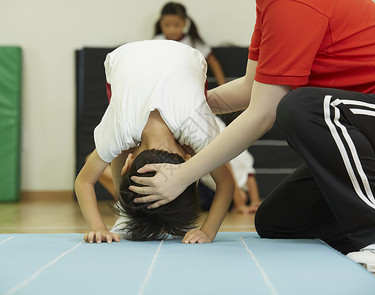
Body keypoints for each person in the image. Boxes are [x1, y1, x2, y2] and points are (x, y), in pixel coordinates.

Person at [129, 0, 375, 273]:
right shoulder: (269, 7)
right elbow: (252, 88)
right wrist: (181, 106)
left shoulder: (290, 3)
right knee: (278, 221)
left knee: (302, 107)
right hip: (372, 130)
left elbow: (262, 113)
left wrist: (183, 174)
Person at [74, 40, 234, 244]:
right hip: (142, 57)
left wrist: (98, 228)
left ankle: (126, 211)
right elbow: (83, 182)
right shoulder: (121, 130)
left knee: (117, 144)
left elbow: (83, 181)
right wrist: (207, 232)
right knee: (117, 144)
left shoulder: (198, 131)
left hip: (172, 57)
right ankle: (126, 212)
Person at [154, 2, 226, 86]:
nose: (171, 30)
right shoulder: (156, 42)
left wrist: (222, 86)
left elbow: (214, 64)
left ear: (184, 23)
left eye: (176, 25)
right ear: (160, 23)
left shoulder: (194, 43)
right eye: (167, 25)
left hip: (190, 85)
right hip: (163, 86)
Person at [199, 115, 261, 214]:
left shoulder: (212, 123)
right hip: (218, 182)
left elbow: (243, 165)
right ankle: (239, 198)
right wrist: (244, 203)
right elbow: (225, 163)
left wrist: (252, 201)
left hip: (227, 183)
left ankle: (240, 198)